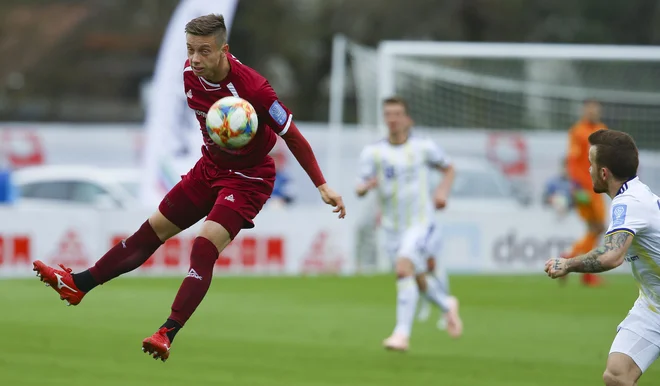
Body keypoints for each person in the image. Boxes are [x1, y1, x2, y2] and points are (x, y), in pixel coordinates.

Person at [32, 14, 345, 362]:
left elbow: (292, 136)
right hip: (208, 169)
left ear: (224, 50)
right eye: (190, 50)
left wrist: (322, 184)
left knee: (203, 244)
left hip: (248, 179)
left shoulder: (254, 89)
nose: (195, 59)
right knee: (150, 231)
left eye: (204, 51)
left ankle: (167, 332)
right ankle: (78, 284)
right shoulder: (187, 73)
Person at [545, 129, 660, 385]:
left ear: (604, 172)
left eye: (591, 164)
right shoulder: (635, 195)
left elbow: (611, 256)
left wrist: (568, 263)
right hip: (654, 305)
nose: (588, 170)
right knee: (617, 376)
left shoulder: (629, 202)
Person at [356, 96, 462, 352]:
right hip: (392, 228)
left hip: (421, 223)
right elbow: (359, 186)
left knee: (404, 270)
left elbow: (449, 168)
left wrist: (442, 193)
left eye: (397, 114)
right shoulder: (373, 153)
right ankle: (448, 305)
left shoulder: (423, 147)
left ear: (407, 119)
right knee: (417, 278)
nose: (392, 119)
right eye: (388, 114)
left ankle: (401, 334)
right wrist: (365, 187)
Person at [564, 99, 609, 286]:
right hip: (584, 186)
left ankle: (573, 260)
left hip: (598, 186)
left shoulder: (603, 130)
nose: (593, 112)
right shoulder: (578, 131)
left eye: (596, 109)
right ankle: (579, 266)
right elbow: (572, 160)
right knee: (598, 227)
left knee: (595, 228)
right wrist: (575, 185)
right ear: (584, 110)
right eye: (590, 109)